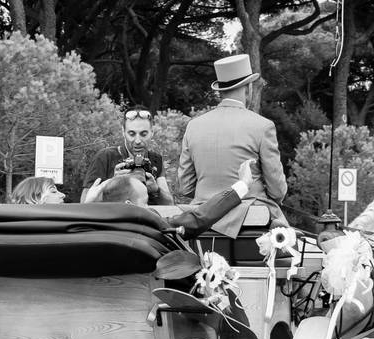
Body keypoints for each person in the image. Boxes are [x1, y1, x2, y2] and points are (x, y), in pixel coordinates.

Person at [178, 54, 288, 238]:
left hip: (202, 220)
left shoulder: (194, 126)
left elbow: (185, 188)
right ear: (248, 87)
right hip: (251, 220)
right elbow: (277, 190)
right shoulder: (262, 126)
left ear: (221, 89)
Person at [87, 159, 256, 240]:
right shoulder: (146, 228)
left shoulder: (91, 232)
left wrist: (88, 204)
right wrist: (243, 184)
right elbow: (198, 219)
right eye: (145, 202)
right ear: (129, 206)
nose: (150, 208)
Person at [81, 106, 173, 205]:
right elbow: (84, 202)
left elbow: (169, 204)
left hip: (145, 217)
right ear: (123, 132)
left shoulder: (155, 160)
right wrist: (112, 182)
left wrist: (156, 190)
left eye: (143, 134)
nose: (138, 141)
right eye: (132, 134)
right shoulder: (106, 157)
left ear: (152, 133)